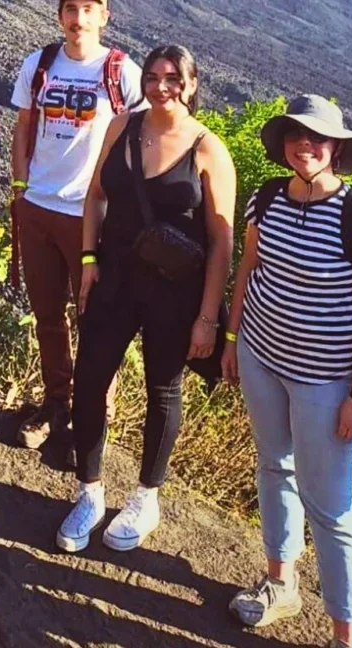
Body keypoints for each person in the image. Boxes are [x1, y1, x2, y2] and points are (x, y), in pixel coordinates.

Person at [221, 95, 352, 648]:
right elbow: (249, 267)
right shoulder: (267, 198)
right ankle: (281, 585)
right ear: (283, 144)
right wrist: (232, 339)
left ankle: (344, 636)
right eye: (297, 136)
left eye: (318, 139)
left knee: (331, 507)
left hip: (326, 383)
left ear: (336, 149)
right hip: (262, 357)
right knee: (274, 467)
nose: (307, 146)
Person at [56, 46, 236, 553]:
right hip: (114, 276)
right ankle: (88, 491)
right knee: (89, 379)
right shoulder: (122, 127)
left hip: (174, 292)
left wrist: (207, 317)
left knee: (163, 389)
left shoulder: (207, 149)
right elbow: (95, 196)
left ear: (192, 84)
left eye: (173, 78)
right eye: (153, 76)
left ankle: (146, 496)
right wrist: (88, 261)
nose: (161, 87)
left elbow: (222, 241)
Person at [9, 0, 143, 451]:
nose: (79, 17)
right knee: (48, 315)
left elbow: (144, 137)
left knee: (96, 321)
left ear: (104, 17)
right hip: (39, 209)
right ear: (60, 14)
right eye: (71, 8)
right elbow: (23, 125)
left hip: (92, 216)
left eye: (89, 9)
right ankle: (57, 403)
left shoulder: (121, 72)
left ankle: (94, 419)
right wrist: (21, 187)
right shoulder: (40, 64)